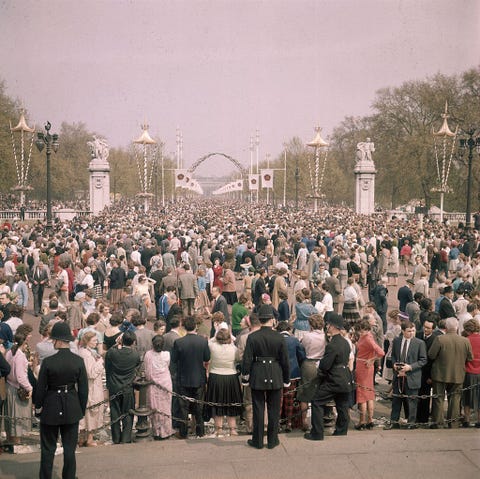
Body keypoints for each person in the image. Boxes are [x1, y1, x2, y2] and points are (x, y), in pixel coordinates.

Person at [35, 322, 88, 479]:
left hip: (51, 405)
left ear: (58, 340)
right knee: (69, 448)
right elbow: (84, 389)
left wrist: (38, 407)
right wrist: (81, 408)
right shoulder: (78, 361)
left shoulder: (48, 362)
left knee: (48, 448)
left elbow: (40, 389)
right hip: (71, 406)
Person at [241, 304, 290, 449]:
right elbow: (285, 361)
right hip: (275, 373)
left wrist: (245, 376)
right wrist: (286, 379)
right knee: (274, 410)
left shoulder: (253, 337)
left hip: (258, 373)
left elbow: (247, 359)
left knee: (258, 408)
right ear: (272, 320)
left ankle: (257, 440)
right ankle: (272, 440)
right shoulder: (279, 337)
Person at [304, 313, 353, 441]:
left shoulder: (332, 345)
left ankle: (317, 433)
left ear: (333, 326)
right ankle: (341, 430)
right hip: (345, 377)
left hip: (334, 379)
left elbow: (325, 365)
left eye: (329, 325)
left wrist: (321, 373)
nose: (327, 327)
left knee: (317, 401)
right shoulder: (345, 343)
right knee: (342, 404)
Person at [428, 317, 473, 428]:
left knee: (438, 399)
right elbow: (470, 358)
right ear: (457, 327)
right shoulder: (465, 341)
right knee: (455, 400)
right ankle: (453, 423)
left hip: (440, 374)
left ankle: (438, 423)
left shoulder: (439, 339)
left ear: (446, 327)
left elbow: (431, 355)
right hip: (458, 374)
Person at [171, 315, 210, 439]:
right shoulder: (203, 341)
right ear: (196, 327)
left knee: (183, 408)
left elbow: (174, 359)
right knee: (199, 407)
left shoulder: (179, 342)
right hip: (198, 377)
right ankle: (200, 431)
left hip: (183, 378)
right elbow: (207, 358)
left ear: (184, 327)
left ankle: (183, 432)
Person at [385, 320, 427, 430]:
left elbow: (423, 360)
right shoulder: (397, 341)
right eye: (409, 331)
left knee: (412, 401)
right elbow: (393, 356)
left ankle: (411, 422)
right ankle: (394, 421)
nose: (412, 333)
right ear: (403, 331)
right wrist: (395, 365)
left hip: (412, 377)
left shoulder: (419, 343)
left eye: (413, 331)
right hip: (398, 376)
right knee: (396, 400)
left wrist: (410, 367)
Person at [105, 330, 141, 443]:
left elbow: (107, 362)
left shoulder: (112, 353)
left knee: (114, 413)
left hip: (114, 386)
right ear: (133, 342)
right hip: (128, 387)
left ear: (121, 340)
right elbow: (137, 368)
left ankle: (116, 438)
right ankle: (126, 438)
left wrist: (116, 345)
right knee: (128, 414)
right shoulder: (135, 355)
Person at [206, 328, 242, 436]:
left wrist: (216, 333)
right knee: (231, 403)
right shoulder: (234, 349)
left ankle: (219, 428)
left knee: (217, 403)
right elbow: (237, 360)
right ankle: (232, 429)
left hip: (216, 376)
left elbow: (210, 341)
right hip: (231, 377)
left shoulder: (212, 346)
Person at [354, 319, 385, 430]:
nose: (360, 333)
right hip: (367, 366)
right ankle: (370, 420)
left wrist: (372, 359)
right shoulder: (369, 336)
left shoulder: (367, 339)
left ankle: (362, 421)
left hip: (363, 366)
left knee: (362, 395)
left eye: (362, 331)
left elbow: (381, 352)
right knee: (369, 394)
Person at [5, 330, 33, 445]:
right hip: (17, 388)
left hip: (9, 386)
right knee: (18, 415)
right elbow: (20, 376)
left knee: (10, 415)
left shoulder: (9, 352)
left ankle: (10, 438)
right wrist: (29, 387)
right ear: (24, 342)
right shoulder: (20, 355)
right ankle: (16, 441)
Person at [144, 335, 174, 440]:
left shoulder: (148, 354)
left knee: (155, 406)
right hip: (165, 383)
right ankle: (166, 431)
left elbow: (147, 371)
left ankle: (156, 431)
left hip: (153, 384)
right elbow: (167, 366)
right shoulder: (167, 355)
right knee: (165, 407)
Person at [77, 331, 104, 447]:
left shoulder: (84, 352)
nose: (96, 342)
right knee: (92, 412)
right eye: (94, 340)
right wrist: (100, 362)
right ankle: (89, 439)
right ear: (87, 341)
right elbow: (91, 373)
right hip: (92, 387)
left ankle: (82, 438)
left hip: (87, 386)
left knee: (86, 413)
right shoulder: (87, 355)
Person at [461, 319, 480, 428]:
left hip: (468, 372)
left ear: (467, 330)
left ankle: (466, 420)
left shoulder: (466, 340)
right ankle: (479, 420)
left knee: (467, 397)